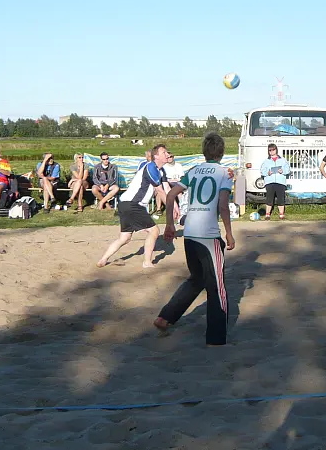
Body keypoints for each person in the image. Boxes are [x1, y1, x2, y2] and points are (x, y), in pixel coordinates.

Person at [154, 132, 236, 345]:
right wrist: (229, 232)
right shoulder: (225, 173)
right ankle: (216, 339)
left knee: (197, 279)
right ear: (222, 152)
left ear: (204, 151)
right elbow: (223, 205)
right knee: (217, 287)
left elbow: (170, 195)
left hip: (190, 233)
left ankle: (165, 317)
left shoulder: (193, 170)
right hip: (209, 235)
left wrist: (170, 224)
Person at [97, 145, 172, 270]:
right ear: (156, 156)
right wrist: (170, 209)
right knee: (154, 231)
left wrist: (175, 207)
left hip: (124, 204)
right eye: (164, 152)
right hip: (133, 204)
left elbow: (167, 189)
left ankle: (103, 259)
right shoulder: (151, 167)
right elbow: (160, 191)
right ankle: (147, 262)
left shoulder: (160, 170)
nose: (168, 154)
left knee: (125, 238)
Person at [260, 143, 290, 220]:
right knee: (269, 199)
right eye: (270, 150)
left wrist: (282, 171)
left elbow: (288, 170)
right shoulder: (266, 161)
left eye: (273, 150)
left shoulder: (283, 160)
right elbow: (262, 170)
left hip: (280, 182)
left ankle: (281, 214)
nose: (272, 151)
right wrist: (267, 173)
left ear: (276, 150)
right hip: (270, 182)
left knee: (281, 199)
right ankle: (267, 214)